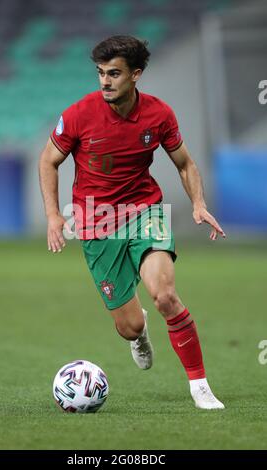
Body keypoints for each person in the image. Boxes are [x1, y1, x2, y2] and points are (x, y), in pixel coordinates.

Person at [39, 35, 226, 410]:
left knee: (165, 295)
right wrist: (54, 215)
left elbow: (185, 163)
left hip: (145, 212)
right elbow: (48, 160)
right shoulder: (78, 114)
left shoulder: (159, 115)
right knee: (130, 326)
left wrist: (198, 203)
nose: (105, 81)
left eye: (114, 74)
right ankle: (138, 333)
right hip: (96, 221)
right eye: (100, 73)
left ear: (136, 75)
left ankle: (200, 385)